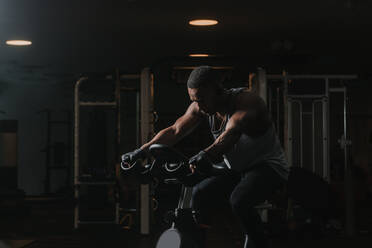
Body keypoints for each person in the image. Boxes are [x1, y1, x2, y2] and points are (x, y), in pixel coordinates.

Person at [121, 66, 289, 248]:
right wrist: (141, 151)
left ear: (218, 90)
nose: (199, 106)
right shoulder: (202, 106)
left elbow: (230, 135)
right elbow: (175, 130)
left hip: (267, 167)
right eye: (194, 100)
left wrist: (205, 155)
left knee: (239, 201)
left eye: (201, 100)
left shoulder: (247, 102)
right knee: (200, 193)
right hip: (235, 168)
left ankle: (258, 243)